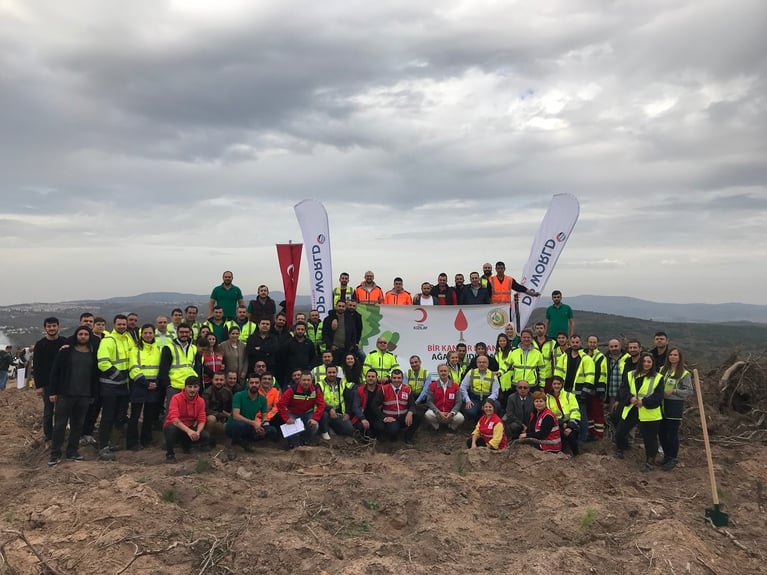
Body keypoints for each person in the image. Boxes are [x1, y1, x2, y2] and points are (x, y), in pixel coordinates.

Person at [47, 326, 99, 465]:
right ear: (76, 336)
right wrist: (52, 392)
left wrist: (93, 394)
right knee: (60, 425)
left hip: (84, 395)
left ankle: (72, 451)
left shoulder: (93, 354)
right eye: (80, 334)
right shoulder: (65, 352)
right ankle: (55, 454)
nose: (83, 336)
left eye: (86, 334)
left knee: (78, 425)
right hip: (66, 395)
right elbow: (55, 372)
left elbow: (95, 376)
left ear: (89, 337)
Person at [615, 353, 665, 471]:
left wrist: (644, 402)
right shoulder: (630, 375)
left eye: (649, 362)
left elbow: (658, 396)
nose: (646, 364)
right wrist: (630, 398)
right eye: (644, 361)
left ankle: (650, 462)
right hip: (632, 408)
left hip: (649, 412)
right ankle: (621, 449)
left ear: (652, 364)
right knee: (620, 432)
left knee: (650, 438)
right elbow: (623, 389)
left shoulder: (658, 378)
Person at [96, 314, 134, 461]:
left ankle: (111, 442)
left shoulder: (128, 338)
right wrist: (118, 375)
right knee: (108, 416)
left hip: (124, 385)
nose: (122, 327)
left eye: (124, 324)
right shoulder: (108, 341)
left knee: (120, 415)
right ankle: (103, 446)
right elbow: (103, 363)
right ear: (114, 325)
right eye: (119, 324)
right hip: (110, 385)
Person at [127, 324, 163, 450]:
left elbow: (161, 367)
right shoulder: (135, 349)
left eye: (150, 333)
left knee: (149, 415)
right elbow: (133, 367)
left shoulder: (158, 348)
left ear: (154, 334)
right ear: (141, 334)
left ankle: (146, 439)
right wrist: (146, 383)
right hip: (139, 385)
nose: (148, 335)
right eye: (145, 333)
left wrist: (157, 382)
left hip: (154, 386)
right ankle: (132, 442)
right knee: (135, 415)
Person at [554, 335, 595, 443]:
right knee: (568, 414)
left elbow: (590, 376)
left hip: (580, 392)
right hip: (566, 391)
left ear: (581, 343)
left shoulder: (586, 359)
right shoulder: (563, 357)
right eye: (573, 342)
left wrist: (585, 392)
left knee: (581, 414)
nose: (575, 344)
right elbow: (558, 372)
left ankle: (583, 437)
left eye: (577, 342)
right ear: (569, 343)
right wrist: (557, 387)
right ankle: (571, 436)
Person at [33, 317, 67, 443]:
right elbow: (36, 366)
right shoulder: (40, 345)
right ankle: (48, 435)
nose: (51, 328)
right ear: (45, 328)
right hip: (47, 383)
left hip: (62, 383)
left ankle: (59, 434)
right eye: (49, 326)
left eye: (54, 326)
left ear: (58, 327)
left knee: (61, 411)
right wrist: (38, 386)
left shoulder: (64, 342)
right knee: (48, 410)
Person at [163, 375, 210, 463]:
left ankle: (189, 446)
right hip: (176, 427)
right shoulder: (176, 398)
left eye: (195, 387)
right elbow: (174, 419)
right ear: (185, 387)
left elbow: (202, 419)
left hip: (190, 427)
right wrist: (189, 431)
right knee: (171, 429)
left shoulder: (201, 401)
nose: (192, 390)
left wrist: (197, 432)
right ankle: (170, 454)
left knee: (205, 435)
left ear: (199, 388)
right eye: (190, 387)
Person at [658, 348, 692, 470]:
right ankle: (666, 456)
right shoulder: (662, 370)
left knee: (672, 433)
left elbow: (689, 391)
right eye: (671, 354)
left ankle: (673, 458)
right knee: (662, 432)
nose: (673, 357)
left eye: (675, 355)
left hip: (675, 405)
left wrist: (674, 391)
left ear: (679, 357)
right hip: (662, 404)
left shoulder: (684, 373)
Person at [274, 370, 326, 448]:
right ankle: (293, 445)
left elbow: (321, 405)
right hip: (293, 412)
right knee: (291, 427)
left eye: (308, 380)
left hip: (308, 412)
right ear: (300, 380)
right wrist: (287, 418)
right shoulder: (292, 389)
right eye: (304, 380)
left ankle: (304, 442)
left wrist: (315, 418)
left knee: (315, 426)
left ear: (312, 380)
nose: (306, 382)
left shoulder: (315, 390)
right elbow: (280, 404)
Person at [158, 323, 201, 413]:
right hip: (174, 386)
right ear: (177, 333)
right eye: (181, 332)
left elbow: (197, 367)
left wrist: (197, 382)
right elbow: (163, 369)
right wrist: (168, 385)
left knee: (189, 412)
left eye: (186, 332)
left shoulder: (194, 348)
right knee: (172, 413)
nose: (184, 334)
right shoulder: (168, 348)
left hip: (190, 386)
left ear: (190, 333)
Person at [225, 374, 268, 452]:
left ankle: (245, 442)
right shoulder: (238, 395)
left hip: (250, 426)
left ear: (260, 384)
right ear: (248, 384)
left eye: (256, 383)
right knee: (240, 425)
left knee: (271, 430)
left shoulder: (263, 399)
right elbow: (236, 416)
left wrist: (263, 425)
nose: (254, 385)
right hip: (234, 426)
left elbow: (264, 416)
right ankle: (235, 443)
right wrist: (254, 423)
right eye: (252, 383)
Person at [380, 369, 421, 443]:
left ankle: (408, 437)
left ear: (402, 379)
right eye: (394, 378)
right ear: (391, 378)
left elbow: (412, 404)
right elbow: (375, 406)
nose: (397, 380)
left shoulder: (407, 389)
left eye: (399, 378)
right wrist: (384, 418)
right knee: (393, 431)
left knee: (418, 415)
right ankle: (391, 436)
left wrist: (410, 412)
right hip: (391, 418)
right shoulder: (384, 389)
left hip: (403, 417)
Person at [318, 365, 355, 439]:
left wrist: (348, 413)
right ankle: (324, 431)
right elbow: (319, 401)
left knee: (350, 430)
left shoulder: (342, 383)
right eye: (329, 372)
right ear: (326, 373)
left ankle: (331, 428)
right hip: (325, 412)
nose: (332, 374)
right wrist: (330, 409)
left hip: (339, 413)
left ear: (337, 373)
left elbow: (349, 399)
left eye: (333, 372)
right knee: (324, 414)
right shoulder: (320, 385)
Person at [546, 376, 580, 456]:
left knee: (570, 435)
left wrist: (569, 426)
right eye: (554, 384)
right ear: (551, 385)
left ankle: (576, 455)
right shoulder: (547, 398)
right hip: (557, 423)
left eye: (559, 384)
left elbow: (575, 411)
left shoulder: (569, 395)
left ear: (562, 385)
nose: (556, 386)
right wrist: (561, 423)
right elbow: (549, 413)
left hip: (570, 422)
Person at [460, 355, 500, 422]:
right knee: (470, 411)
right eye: (479, 362)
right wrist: (467, 400)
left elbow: (495, 392)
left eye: (484, 362)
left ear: (487, 364)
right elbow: (463, 387)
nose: (481, 364)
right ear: (477, 363)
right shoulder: (471, 373)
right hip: (474, 399)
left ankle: (490, 422)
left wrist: (487, 402)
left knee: (497, 405)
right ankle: (476, 422)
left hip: (488, 398)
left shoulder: (492, 375)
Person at [424, 364, 464, 431]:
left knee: (460, 418)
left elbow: (459, 402)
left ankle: (451, 428)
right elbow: (429, 401)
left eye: (445, 371)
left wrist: (452, 412)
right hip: (437, 413)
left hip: (450, 413)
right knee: (428, 414)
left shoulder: (455, 386)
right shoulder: (432, 386)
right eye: (441, 371)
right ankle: (436, 427)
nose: (443, 373)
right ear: (438, 372)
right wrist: (438, 412)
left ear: (448, 372)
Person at [585, 335, 607, 440]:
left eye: (594, 342)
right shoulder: (583, 354)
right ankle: (590, 433)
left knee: (597, 412)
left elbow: (603, 374)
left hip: (595, 390)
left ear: (597, 344)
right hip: (585, 388)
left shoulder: (601, 357)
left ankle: (598, 434)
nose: (592, 344)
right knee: (588, 412)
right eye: (590, 342)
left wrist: (600, 390)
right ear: (587, 343)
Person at [322, 300, 357, 367]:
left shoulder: (349, 319)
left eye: (343, 306)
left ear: (345, 307)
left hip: (346, 349)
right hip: (333, 350)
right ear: (336, 306)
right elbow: (324, 334)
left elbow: (353, 333)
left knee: (345, 368)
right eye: (339, 306)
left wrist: (352, 345)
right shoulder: (328, 319)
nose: (341, 308)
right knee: (333, 368)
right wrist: (330, 345)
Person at [352, 369, 385, 439]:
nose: (370, 378)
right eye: (369, 376)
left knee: (381, 428)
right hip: (363, 416)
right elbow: (355, 407)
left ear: (376, 378)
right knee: (362, 427)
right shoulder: (359, 390)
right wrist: (362, 419)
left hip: (376, 416)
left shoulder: (382, 389)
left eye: (373, 377)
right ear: (366, 378)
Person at [204, 371, 233, 440]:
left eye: (221, 380)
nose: (219, 382)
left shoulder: (228, 391)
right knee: (212, 419)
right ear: (212, 380)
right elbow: (205, 410)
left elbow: (231, 407)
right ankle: (206, 439)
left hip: (224, 417)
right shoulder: (207, 392)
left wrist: (229, 415)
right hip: (211, 416)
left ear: (225, 381)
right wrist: (220, 415)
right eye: (216, 380)